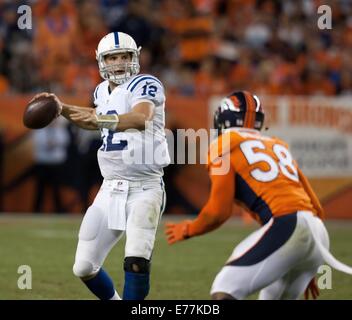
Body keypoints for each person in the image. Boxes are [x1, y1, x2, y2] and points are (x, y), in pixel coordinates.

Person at [165, 90, 352, 300]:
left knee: (225, 290)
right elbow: (315, 205)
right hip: (317, 233)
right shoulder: (276, 145)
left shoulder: (222, 146)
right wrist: (308, 255)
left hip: (287, 227)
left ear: (223, 119)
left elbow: (218, 212)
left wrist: (189, 229)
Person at [33, 32, 169, 300]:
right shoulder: (100, 91)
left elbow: (141, 118)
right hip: (110, 189)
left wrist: (98, 119)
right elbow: (91, 119)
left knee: (136, 259)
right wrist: (61, 108)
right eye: (112, 57)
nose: (119, 62)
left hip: (145, 188)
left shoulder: (146, 83)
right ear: (101, 61)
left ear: (135, 58)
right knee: (84, 267)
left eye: (125, 56)